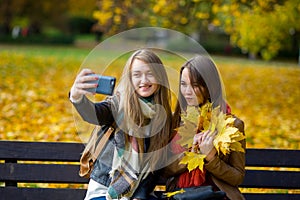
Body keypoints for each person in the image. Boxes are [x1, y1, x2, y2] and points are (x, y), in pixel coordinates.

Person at [69, 49, 173, 200]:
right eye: (137, 75)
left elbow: (155, 167)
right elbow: (95, 114)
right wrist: (77, 98)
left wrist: (139, 196)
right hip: (105, 192)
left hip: (138, 193)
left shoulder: (163, 118)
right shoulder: (118, 104)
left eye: (150, 73)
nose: (144, 80)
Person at [166, 55, 246, 200]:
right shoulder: (176, 121)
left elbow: (237, 177)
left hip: (217, 195)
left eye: (195, 85)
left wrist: (211, 158)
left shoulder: (233, 125)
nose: (187, 91)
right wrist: (192, 152)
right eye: (183, 84)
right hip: (181, 195)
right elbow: (164, 169)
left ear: (210, 86)